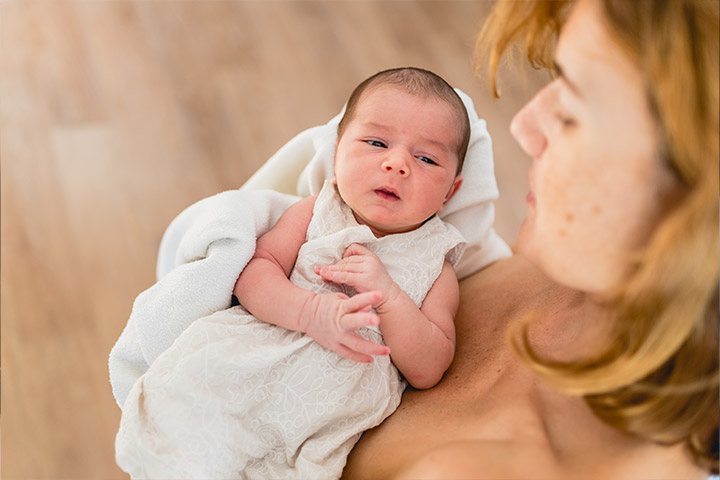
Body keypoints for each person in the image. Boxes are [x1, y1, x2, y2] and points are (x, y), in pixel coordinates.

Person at [342, 0, 719, 478]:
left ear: (695, 201)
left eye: (572, 113)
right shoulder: (562, 264)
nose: (524, 126)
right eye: (553, 80)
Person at [114, 67, 469, 479]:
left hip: (324, 417)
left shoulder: (436, 264)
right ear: (337, 155)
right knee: (192, 424)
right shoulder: (316, 212)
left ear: (450, 192)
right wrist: (310, 314)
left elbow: (430, 367)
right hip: (255, 359)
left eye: (425, 158)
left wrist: (390, 298)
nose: (396, 164)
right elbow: (253, 275)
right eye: (376, 143)